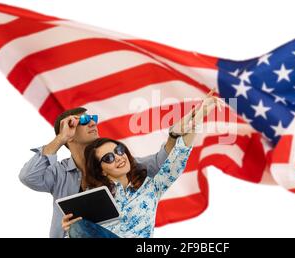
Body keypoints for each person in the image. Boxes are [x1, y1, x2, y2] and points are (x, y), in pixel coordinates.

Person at [62, 91, 220, 238]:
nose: (118, 157)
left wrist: (201, 114)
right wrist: (70, 229)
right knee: (77, 227)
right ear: (102, 171)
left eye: (119, 150)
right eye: (109, 158)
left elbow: (180, 153)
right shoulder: (93, 198)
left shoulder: (151, 186)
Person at [19, 107, 179, 238]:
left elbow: (160, 162)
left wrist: (175, 135)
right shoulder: (60, 173)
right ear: (69, 134)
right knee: (77, 227)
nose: (92, 123)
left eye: (93, 118)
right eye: (82, 121)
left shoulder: (118, 163)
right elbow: (28, 176)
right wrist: (60, 139)